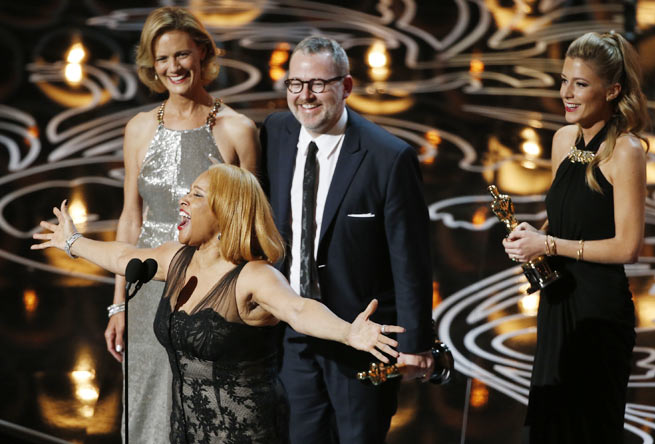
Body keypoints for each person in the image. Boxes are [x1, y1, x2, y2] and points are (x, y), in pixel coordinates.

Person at [32, 164, 403, 444]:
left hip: (243, 431)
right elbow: (125, 255)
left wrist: (347, 332)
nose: (183, 199)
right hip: (187, 428)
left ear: (226, 211)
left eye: (196, 195)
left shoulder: (254, 276)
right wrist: (72, 242)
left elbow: (298, 310)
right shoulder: (177, 258)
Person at [260, 36, 435, 444]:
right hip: (294, 332)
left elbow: (411, 259)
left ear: (347, 87)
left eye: (318, 84)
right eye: (295, 84)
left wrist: (414, 343)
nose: (305, 96)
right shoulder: (276, 133)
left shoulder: (389, 158)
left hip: (363, 336)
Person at [103, 6, 260, 442]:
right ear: (152, 67)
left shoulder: (238, 130)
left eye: (182, 55)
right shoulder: (138, 128)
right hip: (147, 289)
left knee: (206, 404)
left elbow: (250, 227)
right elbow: (131, 218)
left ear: (203, 53)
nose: (173, 67)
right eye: (162, 59)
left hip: (208, 292)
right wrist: (119, 303)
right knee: (147, 402)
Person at [502, 31, 649, 443]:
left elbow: (627, 246)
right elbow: (565, 220)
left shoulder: (626, 151)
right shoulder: (563, 140)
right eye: (564, 80)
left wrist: (548, 245)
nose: (567, 93)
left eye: (581, 84)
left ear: (612, 90)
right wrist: (533, 235)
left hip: (598, 315)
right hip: (557, 303)